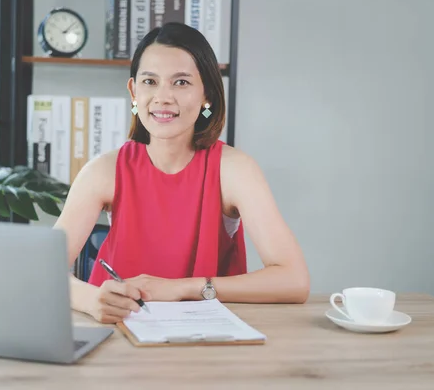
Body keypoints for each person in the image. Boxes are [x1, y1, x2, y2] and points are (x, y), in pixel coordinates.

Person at [54, 22, 310, 324]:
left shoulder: (234, 170)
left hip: (206, 339)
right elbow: (41, 270)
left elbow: (294, 280)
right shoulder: (103, 171)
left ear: (208, 96)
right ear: (133, 91)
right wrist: (89, 299)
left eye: (181, 83)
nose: (163, 97)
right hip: (118, 332)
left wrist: (186, 288)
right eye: (150, 82)